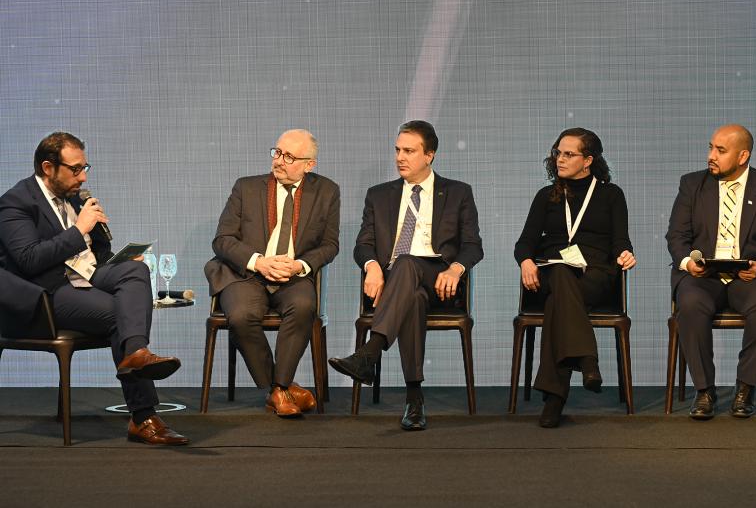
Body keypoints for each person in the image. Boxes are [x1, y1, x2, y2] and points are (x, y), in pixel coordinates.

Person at [0, 132, 188, 444]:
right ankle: (143, 416)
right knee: (120, 314)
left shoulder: (76, 197)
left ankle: (137, 354)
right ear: (48, 167)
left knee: (135, 269)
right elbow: (29, 260)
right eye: (75, 169)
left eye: (86, 168)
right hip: (45, 294)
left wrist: (109, 246)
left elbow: (95, 257)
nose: (83, 176)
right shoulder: (15, 203)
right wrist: (79, 229)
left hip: (83, 277)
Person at [330, 120, 482, 431]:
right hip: (396, 283)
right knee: (411, 295)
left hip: (441, 279)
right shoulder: (379, 195)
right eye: (398, 150)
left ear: (430, 155)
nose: (400, 157)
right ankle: (415, 400)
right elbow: (364, 244)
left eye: (409, 151)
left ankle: (370, 353)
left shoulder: (457, 192)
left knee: (409, 262)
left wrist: (456, 268)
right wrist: (372, 265)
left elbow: (472, 246)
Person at [205, 129, 339, 417]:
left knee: (304, 305)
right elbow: (222, 240)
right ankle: (281, 389)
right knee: (241, 316)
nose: (278, 161)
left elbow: (329, 245)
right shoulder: (246, 187)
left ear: (309, 164)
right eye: (277, 152)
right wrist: (258, 261)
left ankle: (278, 388)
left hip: (292, 274)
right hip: (247, 274)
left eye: (288, 156)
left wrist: (300, 265)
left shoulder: (326, 191)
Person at [666, 124, 756, 420]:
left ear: (742, 156)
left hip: (748, 277)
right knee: (689, 302)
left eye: (720, 151)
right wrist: (688, 263)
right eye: (711, 147)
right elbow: (676, 236)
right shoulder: (692, 185)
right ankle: (705, 391)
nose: (711, 155)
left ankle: (745, 389)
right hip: (704, 276)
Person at [514, 128, 636, 428]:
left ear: (588, 160)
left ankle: (554, 400)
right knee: (558, 272)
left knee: (560, 301)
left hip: (594, 275)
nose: (560, 159)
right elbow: (525, 242)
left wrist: (626, 254)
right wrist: (526, 261)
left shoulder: (611, 195)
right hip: (551, 271)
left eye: (568, 154)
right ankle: (587, 361)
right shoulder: (546, 196)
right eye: (558, 152)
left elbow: (621, 240)